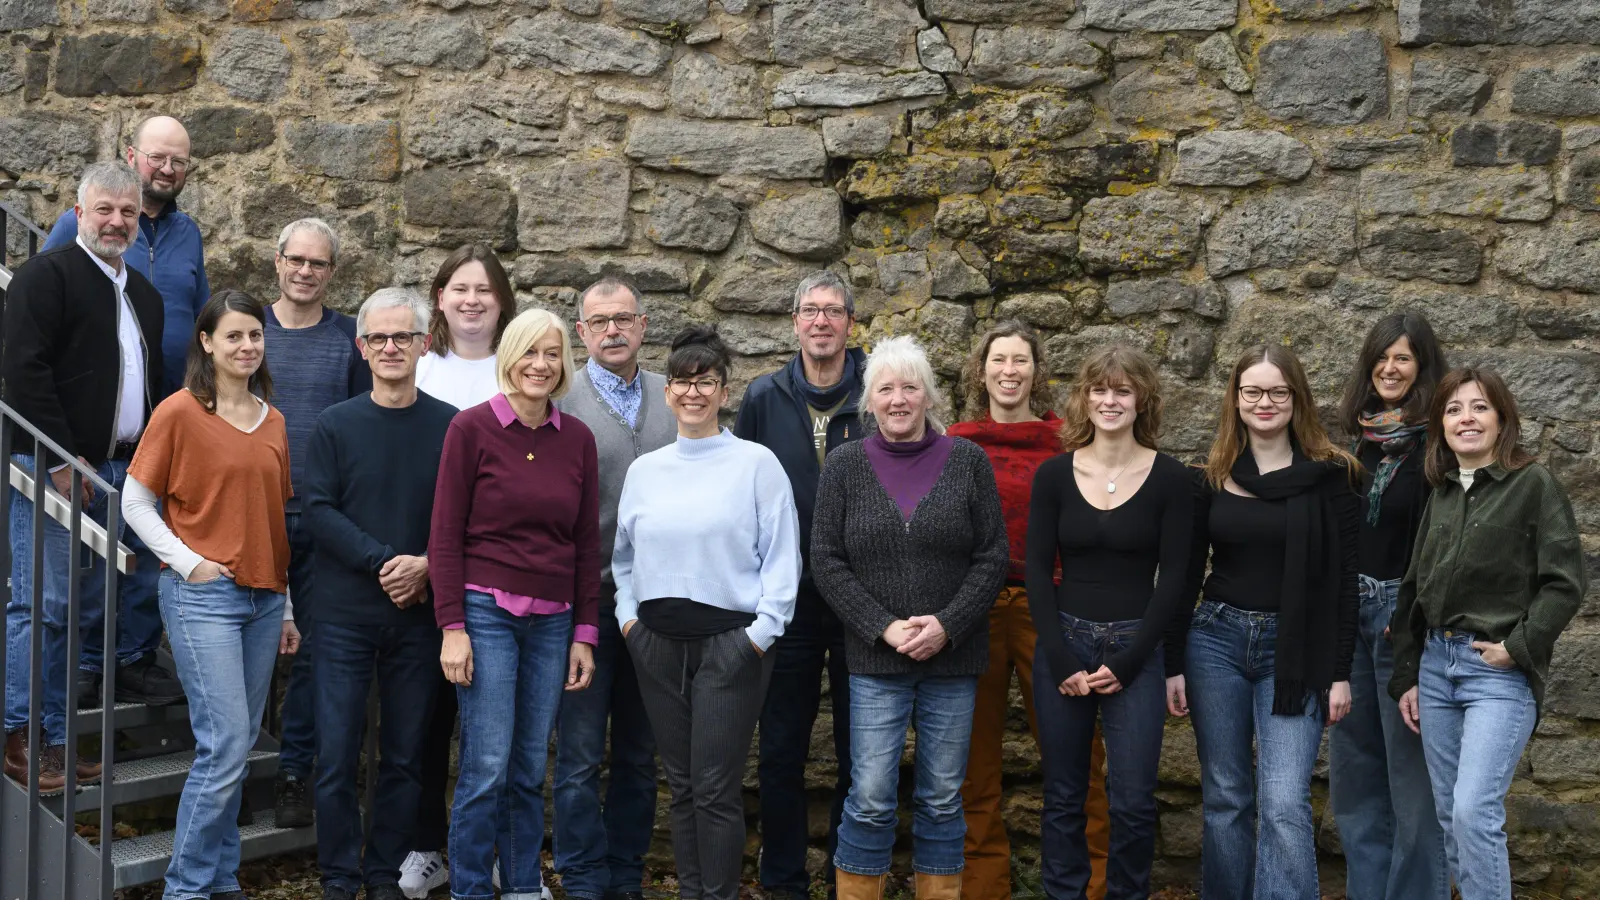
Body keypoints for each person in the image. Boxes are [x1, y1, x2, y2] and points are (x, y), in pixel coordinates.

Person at [811, 335, 1008, 900]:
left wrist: (947, 624)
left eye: (910, 387)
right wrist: (883, 626)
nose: (899, 399)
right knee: (871, 795)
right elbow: (826, 559)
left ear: (928, 396)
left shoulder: (968, 462)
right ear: (869, 401)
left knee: (942, 796)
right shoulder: (846, 465)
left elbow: (992, 555)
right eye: (886, 389)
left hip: (953, 658)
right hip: (875, 660)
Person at [122, 289, 301, 900]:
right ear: (207, 342)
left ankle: (221, 881)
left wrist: (289, 606)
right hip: (205, 599)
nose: (246, 346)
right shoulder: (179, 412)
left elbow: (274, 517)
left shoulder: (273, 418)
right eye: (233, 336)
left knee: (240, 746)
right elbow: (135, 502)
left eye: (255, 335)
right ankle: (188, 888)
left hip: (265, 599)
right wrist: (189, 561)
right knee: (224, 746)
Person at [612, 325, 800, 900]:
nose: (693, 393)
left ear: (724, 391)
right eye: (683, 383)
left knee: (716, 787)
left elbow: (783, 558)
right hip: (656, 646)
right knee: (684, 786)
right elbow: (623, 557)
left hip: (731, 647)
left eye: (706, 382)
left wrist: (760, 637)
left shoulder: (755, 464)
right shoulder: (647, 470)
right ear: (667, 391)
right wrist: (629, 621)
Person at [1389, 368, 1587, 900]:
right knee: (1452, 815)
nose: (1466, 418)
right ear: (1442, 427)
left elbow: (1565, 583)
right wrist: (1408, 673)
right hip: (1434, 671)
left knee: (1475, 808)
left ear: (1502, 419)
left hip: (1494, 673)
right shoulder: (1445, 491)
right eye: (1453, 410)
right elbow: (1414, 589)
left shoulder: (1532, 485)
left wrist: (1517, 648)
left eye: (1478, 407)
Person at [1171, 345, 1359, 900]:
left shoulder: (1333, 477)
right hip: (1215, 643)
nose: (1265, 402)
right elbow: (1183, 577)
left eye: (1278, 391)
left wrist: (1339, 671)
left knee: (1282, 800)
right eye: (1252, 391)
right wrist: (1171, 661)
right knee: (1226, 795)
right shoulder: (1211, 477)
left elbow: (1344, 583)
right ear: (1236, 399)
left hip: (1295, 650)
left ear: (1296, 398)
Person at [3, 161, 164, 793]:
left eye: (127, 211)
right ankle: (20, 739)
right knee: (42, 607)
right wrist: (65, 460)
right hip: (52, 468)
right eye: (104, 209)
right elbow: (24, 372)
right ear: (78, 213)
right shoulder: (47, 277)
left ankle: (56, 743)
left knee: (80, 613)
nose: (116, 221)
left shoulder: (142, 295)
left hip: (118, 470)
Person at [429, 307, 600, 900]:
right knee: (486, 767)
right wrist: (452, 625)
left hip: (553, 622)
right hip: (485, 614)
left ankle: (524, 884)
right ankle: (471, 888)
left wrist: (585, 632)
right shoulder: (471, 429)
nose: (541, 365)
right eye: (530, 352)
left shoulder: (577, 439)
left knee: (529, 769)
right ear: (510, 357)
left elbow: (585, 543)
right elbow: (444, 535)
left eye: (552, 354)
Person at [302, 288, 458, 900]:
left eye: (404, 337)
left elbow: (459, 516)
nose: (391, 348)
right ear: (361, 348)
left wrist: (425, 565)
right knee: (337, 755)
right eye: (378, 339)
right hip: (343, 616)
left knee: (405, 756)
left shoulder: (452, 427)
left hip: (419, 617)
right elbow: (317, 509)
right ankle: (339, 875)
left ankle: (382, 872)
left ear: (424, 344)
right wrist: (384, 561)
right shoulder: (335, 424)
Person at [948, 323, 1112, 900]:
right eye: (999, 360)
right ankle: (982, 887)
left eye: (1021, 361)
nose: (1009, 371)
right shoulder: (956, 442)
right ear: (982, 370)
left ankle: (1089, 885)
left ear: (1036, 372)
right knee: (974, 763)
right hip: (975, 612)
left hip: (1054, 611)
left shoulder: (1066, 442)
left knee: (1076, 759)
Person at [44, 115, 202, 709]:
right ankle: (87, 665)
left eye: (179, 161)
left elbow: (199, 310)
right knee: (87, 560)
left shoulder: (188, 234)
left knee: (147, 546)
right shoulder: (79, 224)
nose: (167, 168)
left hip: (162, 411)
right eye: (158, 156)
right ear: (133, 155)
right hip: (93, 422)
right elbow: (52, 298)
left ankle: (132, 658)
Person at [1025, 345, 1193, 900]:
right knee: (1064, 795)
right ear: (1084, 398)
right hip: (1065, 646)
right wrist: (1060, 658)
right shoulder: (1053, 474)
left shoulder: (1172, 479)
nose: (1110, 400)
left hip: (1135, 650)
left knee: (1134, 801)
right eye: (1099, 389)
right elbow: (1035, 571)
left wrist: (1129, 660)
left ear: (1141, 398)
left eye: (1122, 390)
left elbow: (1173, 582)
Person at [733, 270, 866, 899]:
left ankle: (850, 872)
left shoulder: (879, 390)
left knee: (857, 748)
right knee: (782, 746)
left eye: (832, 311)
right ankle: (783, 877)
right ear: (793, 322)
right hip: (784, 600)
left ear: (849, 322)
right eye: (809, 311)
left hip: (864, 602)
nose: (820, 322)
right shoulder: (763, 396)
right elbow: (741, 494)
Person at [554, 278, 675, 900]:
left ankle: (626, 874)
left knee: (637, 750)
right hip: (588, 603)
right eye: (599, 322)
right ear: (582, 332)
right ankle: (582, 876)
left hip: (658, 606)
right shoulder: (562, 399)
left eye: (623, 318)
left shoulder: (670, 394)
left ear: (643, 324)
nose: (612, 331)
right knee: (577, 755)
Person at [403, 243, 517, 898]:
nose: (471, 300)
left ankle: (492, 850)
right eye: (458, 288)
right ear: (439, 299)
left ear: (502, 300)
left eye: (484, 289)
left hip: (494, 582)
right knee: (424, 726)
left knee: (492, 733)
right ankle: (426, 848)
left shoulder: (517, 368)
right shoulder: (419, 367)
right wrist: (418, 561)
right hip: (422, 578)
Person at [1330, 313, 1451, 900]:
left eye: (1403, 358)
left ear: (1423, 367)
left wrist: (1419, 628)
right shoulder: (1352, 440)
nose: (1390, 368)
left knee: (1412, 785)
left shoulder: (1440, 447)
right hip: (1346, 615)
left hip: (1402, 623)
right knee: (1355, 781)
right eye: (1382, 357)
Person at [264, 217, 372, 829]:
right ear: (277, 262)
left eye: (318, 264)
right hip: (255, 516)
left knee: (313, 651)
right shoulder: (249, 332)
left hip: (324, 518)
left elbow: (360, 424)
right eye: (296, 260)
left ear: (332, 272)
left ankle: (292, 772)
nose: (305, 271)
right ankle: (231, 770)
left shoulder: (351, 337)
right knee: (249, 645)